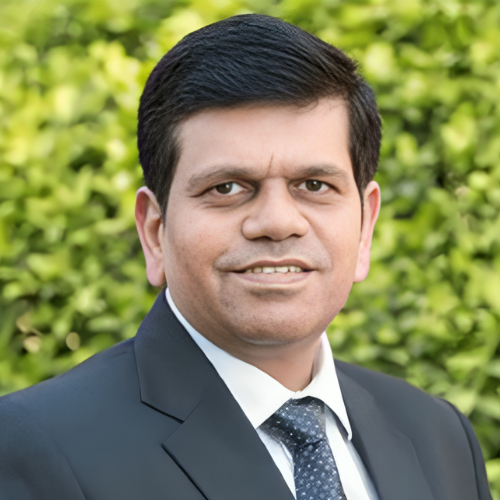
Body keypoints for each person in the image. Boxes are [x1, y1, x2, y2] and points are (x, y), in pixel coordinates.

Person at [0, 14, 492, 500]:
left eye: (314, 185)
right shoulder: (36, 447)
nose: (277, 222)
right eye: (227, 187)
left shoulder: (438, 435)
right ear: (155, 231)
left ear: (365, 225)